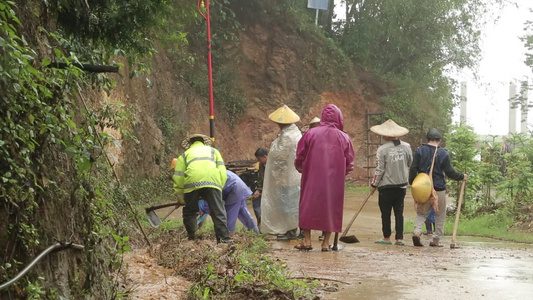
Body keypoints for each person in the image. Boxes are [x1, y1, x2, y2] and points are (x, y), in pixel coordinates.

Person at [294, 104, 355, 251]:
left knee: (307, 205)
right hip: (334, 181)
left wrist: (301, 168)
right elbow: (350, 162)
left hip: (311, 177)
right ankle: (325, 243)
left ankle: (307, 241)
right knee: (331, 208)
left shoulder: (310, 134)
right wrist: (342, 173)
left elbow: (300, 155)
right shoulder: (344, 137)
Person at [409, 129, 467, 247]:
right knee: (440, 215)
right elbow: (449, 172)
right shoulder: (443, 153)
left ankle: (417, 231)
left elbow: (413, 169)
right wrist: (461, 176)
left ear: (428, 139)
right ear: (440, 140)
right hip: (438, 189)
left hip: (424, 188)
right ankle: (436, 240)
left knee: (422, 213)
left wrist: (413, 184)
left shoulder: (420, 151)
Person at [172, 133, 231, 243]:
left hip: (191, 184)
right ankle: (225, 240)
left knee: (190, 212)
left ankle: (192, 238)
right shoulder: (214, 152)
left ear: (190, 144)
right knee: (218, 212)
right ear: (204, 142)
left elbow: (179, 178)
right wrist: (218, 188)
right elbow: (223, 173)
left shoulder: (184, 155)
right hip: (213, 182)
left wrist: (181, 198)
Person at [261, 105, 302, 241]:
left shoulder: (287, 136)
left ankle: (290, 232)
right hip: (294, 176)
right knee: (293, 204)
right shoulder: (295, 133)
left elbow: (279, 156)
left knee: (288, 206)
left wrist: (273, 149)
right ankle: (293, 230)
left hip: (288, 178)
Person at [369, 120, 413, 246]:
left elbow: (379, 169)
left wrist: (374, 185)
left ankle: (386, 237)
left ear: (384, 135)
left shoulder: (382, 149)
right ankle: (400, 238)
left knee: (386, 212)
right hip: (401, 185)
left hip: (386, 186)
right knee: (399, 212)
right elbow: (410, 162)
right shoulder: (407, 147)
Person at [252, 147, 268, 227]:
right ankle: (260, 221)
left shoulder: (273, 165)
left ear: (265, 157)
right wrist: (258, 190)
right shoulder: (262, 165)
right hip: (264, 189)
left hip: (272, 191)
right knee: (255, 200)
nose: (259, 161)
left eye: (259, 159)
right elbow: (260, 179)